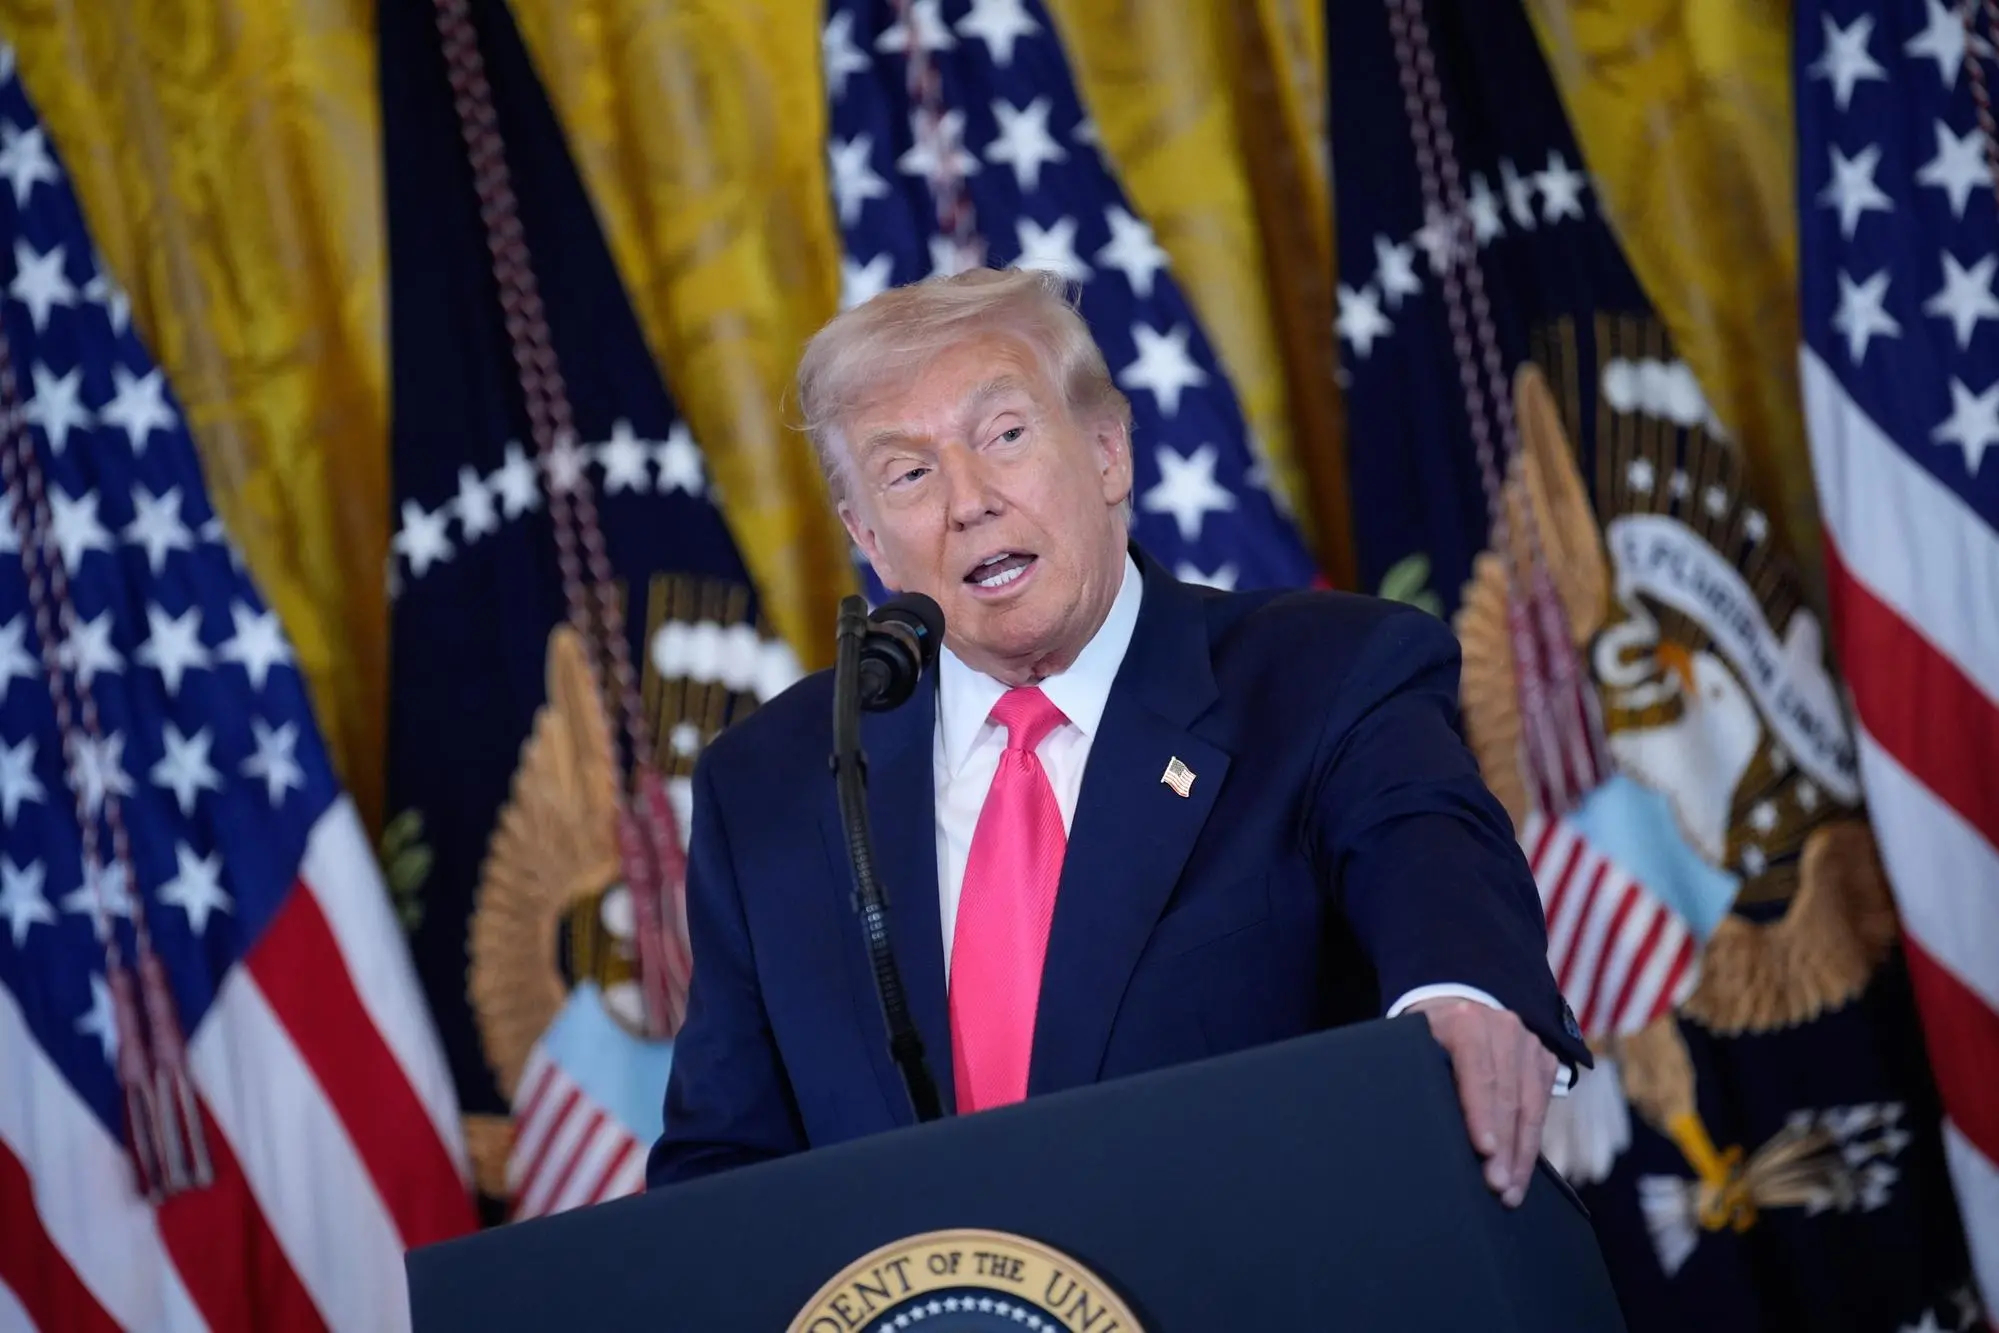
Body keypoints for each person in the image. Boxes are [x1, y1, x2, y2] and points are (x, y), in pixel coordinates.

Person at [646, 267, 1588, 1208]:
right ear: (869, 539)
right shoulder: (772, 786)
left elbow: (1434, 868)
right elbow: (721, 1173)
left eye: (1005, 436)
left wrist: (1462, 1000)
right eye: (909, 473)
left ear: (1106, 452)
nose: (967, 500)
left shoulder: (1325, 676)